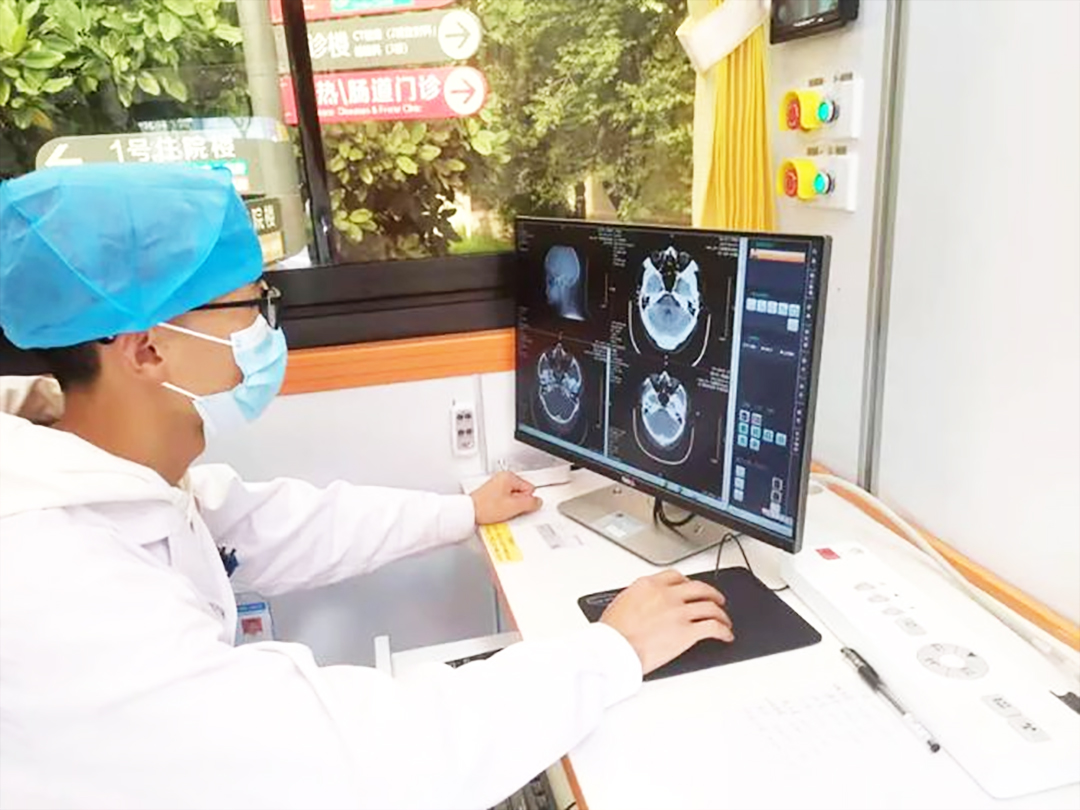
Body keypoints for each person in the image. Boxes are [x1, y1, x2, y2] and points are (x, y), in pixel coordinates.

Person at [0, 164, 733, 810]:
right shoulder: (52, 577)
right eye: (251, 308)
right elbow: (341, 763)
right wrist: (609, 652)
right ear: (148, 350)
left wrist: (460, 512)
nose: (266, 333)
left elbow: (278, 526)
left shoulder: (114, 472)